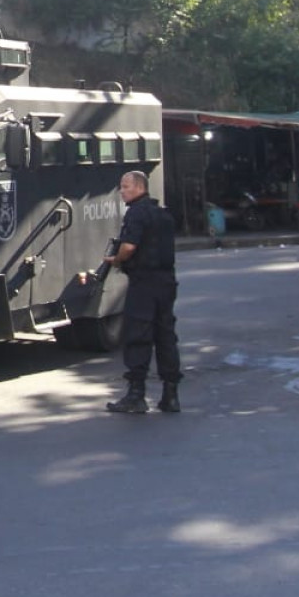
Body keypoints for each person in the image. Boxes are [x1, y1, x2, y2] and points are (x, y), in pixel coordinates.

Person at [103, 170, 182, 414]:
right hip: (166, 281)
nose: (122, 191)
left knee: (138, 335)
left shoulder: (136, 213)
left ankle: (136, 395)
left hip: (144, 282)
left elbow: (129, 246)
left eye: (125, 186)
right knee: (166, 336)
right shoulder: (163, 214)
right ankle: (171, 396)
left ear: (139, 188)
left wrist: (116, 260)